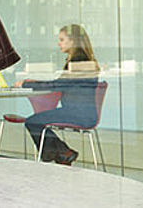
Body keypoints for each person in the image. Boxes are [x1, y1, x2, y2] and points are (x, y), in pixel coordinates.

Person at [14, 24, 100, 165]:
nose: (58, 43)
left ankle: (63, 153)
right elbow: (60, 83)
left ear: (72, 41)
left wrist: (26, 84)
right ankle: (62, 155)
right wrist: (35, 82)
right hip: (83, 111)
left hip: (77, 113)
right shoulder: (83, 59)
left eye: (62, 39)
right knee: (35, 121)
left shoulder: (77, 61)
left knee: (33, 122)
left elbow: (57, 85)